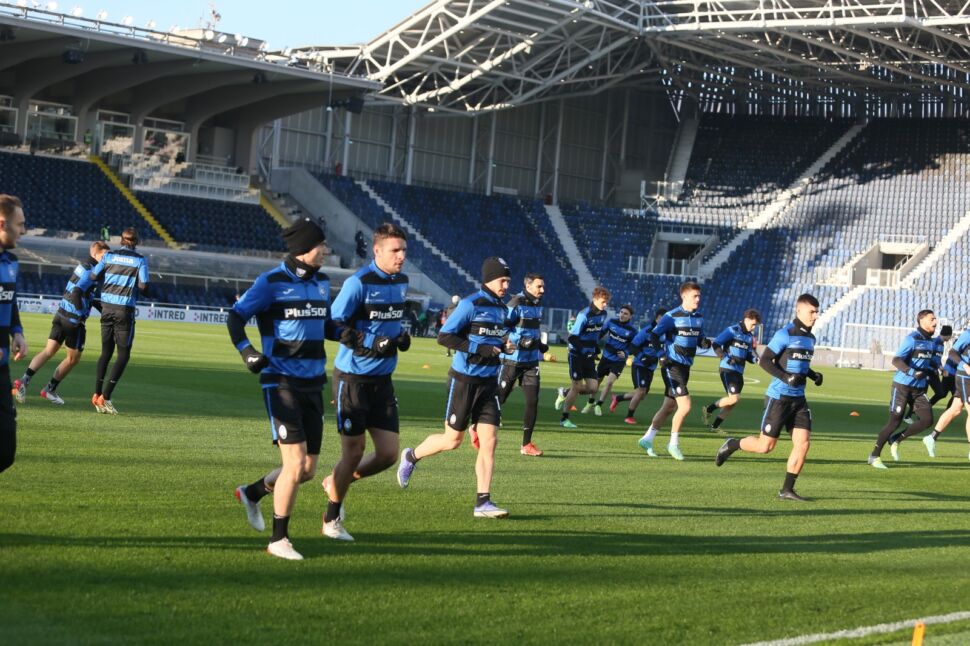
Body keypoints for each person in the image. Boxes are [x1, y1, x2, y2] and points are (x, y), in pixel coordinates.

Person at [229, 218, 337, 561]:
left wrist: (357, 337)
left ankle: (252, 492)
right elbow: (236, 316)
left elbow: (328, 324)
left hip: (313, 383)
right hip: (281, 382)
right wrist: (248, 352)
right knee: (293, 464)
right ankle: (279, 539)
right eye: (322, 245)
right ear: (306, 247)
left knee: (307, 470)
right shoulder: (270, 282)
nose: (327, 250)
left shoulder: (322, 283)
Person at [397, 257, 512, 518]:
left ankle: (483, 502)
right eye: (502, 280)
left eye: (508, 280)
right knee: (452, 441)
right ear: (488, 279)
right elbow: (445, 336)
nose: (506, 285)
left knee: (490, 442)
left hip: (489, 383)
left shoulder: (502, 309)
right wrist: (479, 348)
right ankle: (411, 456)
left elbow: (492, 341)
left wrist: (503, 347)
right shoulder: (470, 305)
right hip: (464, 381)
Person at [320, 223, 411, 542]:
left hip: (383, 379)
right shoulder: (358, 283)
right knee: (354, 452)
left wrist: (399, 336)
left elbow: (390, 322)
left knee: (387, 455)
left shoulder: (402, 282)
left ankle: (335, 482)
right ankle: (331, 517)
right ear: (377, 251)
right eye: (395, 250)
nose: (401, 257)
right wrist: (370, 341)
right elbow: (333, 325)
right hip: (353, 378)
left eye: (404, 250)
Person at [715, 293, 823, 501]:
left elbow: (801, 364)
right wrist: (785, 377)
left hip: (799, 400)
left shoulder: (810, 338)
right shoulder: (785, 334)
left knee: (803, 443)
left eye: (817, 312)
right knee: (765, 447)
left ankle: (787, 490)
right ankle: (733, 444)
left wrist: (813, 375)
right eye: (812, 311)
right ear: (799, 311)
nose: (815, 316)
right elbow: (765, 361)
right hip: (779, 397)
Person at [13, 241, 109, 405]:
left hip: (60, 315)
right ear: (95, 254)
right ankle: (49, 389)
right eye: (104, 255)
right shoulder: (92, 271)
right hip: (72, 320)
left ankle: (23, 381)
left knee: (48, 351)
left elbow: (84, 293)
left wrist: (101, 308)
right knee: (73, 359)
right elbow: (77, 293)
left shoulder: (83, 266)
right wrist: (79, 317)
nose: (106, 259)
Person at [75, 227, 149, 414]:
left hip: (106, 309)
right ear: (136, 241)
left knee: (106, 352)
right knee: (123, 355)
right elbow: (143, 286)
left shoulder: (109, 257)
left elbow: (93, 276)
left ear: (121, 241)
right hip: (124, 310)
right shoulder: (140, 260)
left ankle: (96, 394)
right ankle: (106, 397)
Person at [638, 281, 707, 460]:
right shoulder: (671, 316)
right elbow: (653, 335)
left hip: (686, 366)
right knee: (685, 406)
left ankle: (648, 438)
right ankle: (673, 443)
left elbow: (699, 338)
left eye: (699, 295)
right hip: (672, 365)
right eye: (695, 296)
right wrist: (661, 354)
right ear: (684, 296)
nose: (698, 299)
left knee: (669, 406)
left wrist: (704, 342)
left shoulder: (699, 317)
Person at [866, 310, 938, 469]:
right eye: (932, 319)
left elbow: (927, 361)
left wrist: (937, 368)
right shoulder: (911, 339)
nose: (935, 321)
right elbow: (896, 359)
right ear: (922, 321)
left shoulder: (930, 342)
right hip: (902, 387)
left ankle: (896, 439)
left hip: (918, 390)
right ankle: (874, 455)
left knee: (927, 420)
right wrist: (912, 372)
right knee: (894, 422)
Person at [498, 272, 549, 456]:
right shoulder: (516, 303)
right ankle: (477, 424)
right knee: (499, 398)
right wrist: (518, 342)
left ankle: (526, 444)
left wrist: (539, 344)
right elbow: (501, 328)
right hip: (513, 359)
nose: (542, 290)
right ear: (528, 287)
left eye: (543, 286)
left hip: (531, 362)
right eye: (539, 286)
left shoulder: (537, 304)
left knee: (533, 401)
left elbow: (531, 329)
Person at [554, 286, 611, 428]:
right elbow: (572, 338)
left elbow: (594, 334)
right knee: (577, 386)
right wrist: (585, 350)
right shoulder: (584, 315)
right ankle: (564, 419)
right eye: (603, 302)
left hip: (589, 356)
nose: (605, 305)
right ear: (595, 299)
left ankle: (564, 392)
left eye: (606, 302)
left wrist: (595, 348)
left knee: (593, 387)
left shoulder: (603, 314)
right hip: (576, 355)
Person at [0, 195, 27, 475]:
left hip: (2, 366)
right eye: (19, 224)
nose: (23, 230)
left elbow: (11, 299)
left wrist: (17, 331)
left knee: (6, 449)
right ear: (1, 223)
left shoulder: (11, 262)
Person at [701, 309, 761, 433]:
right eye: (753, 324)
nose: (754, 327)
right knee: (734, 398)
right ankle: (709, 409)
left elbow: (748, 354)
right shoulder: (732, 330)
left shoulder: (749, 337)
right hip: (727, 369)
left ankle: (715, 427)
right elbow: (716, 344)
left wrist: (755, 359)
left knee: (732, 403)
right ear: (747, 319)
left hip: (739, 371)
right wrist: (725, 358)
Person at [611, 308, 667, 424]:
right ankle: (629, 416)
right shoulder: (646, 331)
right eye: (663, 319)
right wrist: (642, 357)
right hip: (639, 365)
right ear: (657, 318)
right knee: (640, 391)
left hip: (650, 367)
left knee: (642, 395)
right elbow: (633, 347)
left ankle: (618, 398)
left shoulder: (664, 334)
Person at [922, 326, 970, 458]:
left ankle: (931, 438)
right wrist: (965, 365)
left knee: (955, 409)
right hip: (965, 377)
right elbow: (953, 352)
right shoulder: (968, 334)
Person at [585, 304, 637, 416]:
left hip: (618, 361)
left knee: (609, 383)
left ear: (630, 317)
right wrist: (592, 345)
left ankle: (599, 405)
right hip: (606, 357)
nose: (622, 315)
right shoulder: (611, 322)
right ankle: (590, 402)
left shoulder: (632, 330)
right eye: (621, 312)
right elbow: (599, 334)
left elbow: (634, 346)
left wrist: (626, 353)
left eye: (626, 314)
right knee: (597, 381)